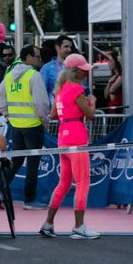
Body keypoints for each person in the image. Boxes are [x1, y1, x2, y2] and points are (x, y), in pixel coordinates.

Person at [40, 53, 98, 240]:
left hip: (63, 138)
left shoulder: (60, 90)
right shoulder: (76, 89)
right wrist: (92, 102)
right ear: (76, 71)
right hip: (77, 137)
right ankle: (79, 226)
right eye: (84, 70)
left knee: (63, 183)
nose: (86, 73)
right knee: (82, 183)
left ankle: (48, 223)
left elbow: (53, 115)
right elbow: (90, 115)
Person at [0, 43, 50, 207]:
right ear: (29, 57)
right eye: (38, 56)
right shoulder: (34, 75)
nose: (40, 60)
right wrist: (44, 119)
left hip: (15, 126)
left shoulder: (9, 75)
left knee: (16, 161)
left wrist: (8, 115)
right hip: (33, 125)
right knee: (32, 163)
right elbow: (42, 103)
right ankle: (30, 200)